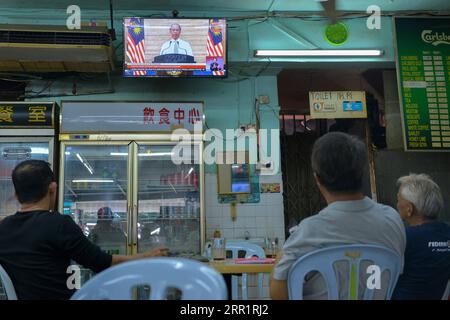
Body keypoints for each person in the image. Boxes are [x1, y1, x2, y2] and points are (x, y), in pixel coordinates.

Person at [0, 160, 168, 300]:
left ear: (16, 193)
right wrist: (146, 256)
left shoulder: (3, 228)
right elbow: (101, 262)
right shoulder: (58, 224)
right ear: (52, 188)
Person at [269, 132, 406, 300]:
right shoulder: (392, 220)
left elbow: (277, 290)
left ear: (317, 179)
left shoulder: (309, 231)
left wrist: (282, 256)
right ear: (361, 173)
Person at [391, 174, 450, 300]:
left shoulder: (404, 237)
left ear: (409, 209)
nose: (397, 204)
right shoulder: (447, 232)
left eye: (398, 200)